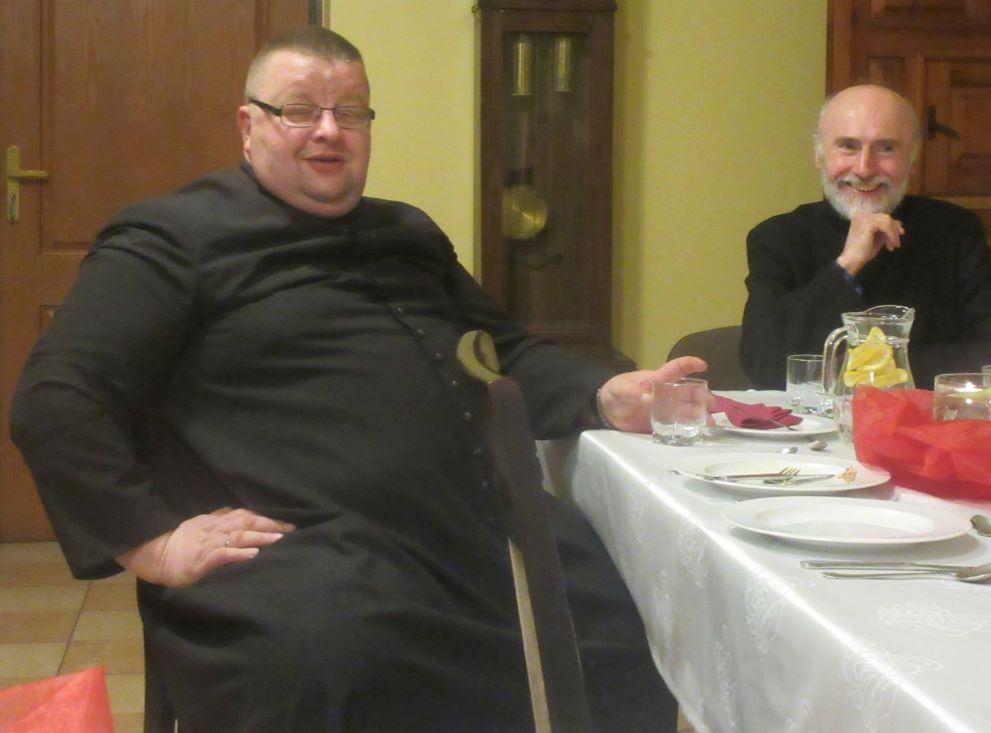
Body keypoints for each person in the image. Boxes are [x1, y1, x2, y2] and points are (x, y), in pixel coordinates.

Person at [10, 27, 690, 732]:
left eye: (351, 111)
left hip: (462, 526)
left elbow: (503, 351)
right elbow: (56, 397)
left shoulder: (409, 233)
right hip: (303, 550)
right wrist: (153, 542)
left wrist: (602, 394)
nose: (329, 130)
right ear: (248, 126)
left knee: (619, 615)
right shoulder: (170, 240)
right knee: (343, 661)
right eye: (299, 110)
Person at [739, 84, 991, 389]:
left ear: (912, 159)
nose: (864, 168)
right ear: (819, 155)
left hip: (928, 415)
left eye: (886, 148)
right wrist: (846, 265)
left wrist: (868, 371)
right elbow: (765, 363)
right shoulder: (777, 239)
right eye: (848, 146)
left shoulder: (956, 231)